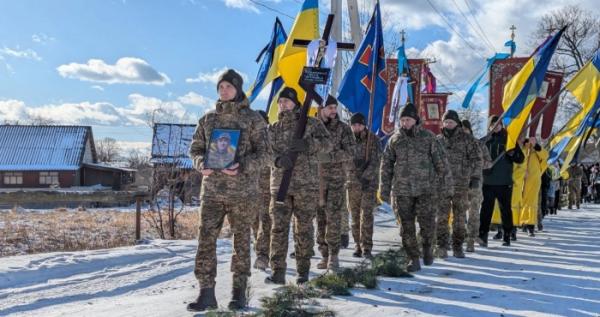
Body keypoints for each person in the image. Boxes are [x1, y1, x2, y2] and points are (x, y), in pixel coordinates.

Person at [188, 69, 269, 311]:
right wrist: (201, 163)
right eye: (221, 87)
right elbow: (195, 150)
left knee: (241, 241)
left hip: (242, 193)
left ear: (238, 89)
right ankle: (206, 292)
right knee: (205, 240)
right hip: (212, 191)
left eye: (229, 87)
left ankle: (238, 292)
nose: (224, 90)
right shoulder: (208, 120)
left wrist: (242, 166)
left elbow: (266, 154)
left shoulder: (254, 120)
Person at [265, 87, 332, 284]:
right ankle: (278, 272)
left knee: (303, 229)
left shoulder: (311, 124)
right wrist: (277, 161)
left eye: (286, 101)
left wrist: (309, 145)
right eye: (280, 101)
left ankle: (303, 271)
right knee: (278, 229)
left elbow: (328, 144)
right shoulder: (273, 128)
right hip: (280, 187)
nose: (282, 104)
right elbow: (264, 152)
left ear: (296, 103)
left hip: (305, 185)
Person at [379, 103, 451, 272]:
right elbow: (386, 165)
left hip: (426, 189)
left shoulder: (428, 137)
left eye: (408, 119)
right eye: (403, 120)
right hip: (401, 191)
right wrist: (384, 188)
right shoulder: (395, 139)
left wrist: (446, 187)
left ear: (416, 120)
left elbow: (441, 163)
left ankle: (427, 246)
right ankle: (413, 258)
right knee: (406, 227)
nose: (405, 123)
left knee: (427, 224)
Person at [316, 95, 356, 271]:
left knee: (333, 217)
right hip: (315, 180)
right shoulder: (312, 127)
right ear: (321, 109)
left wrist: (329, 157)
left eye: (335, 107)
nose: (334, 111)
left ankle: (333, 255)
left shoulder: (343, 129)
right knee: (320, 219)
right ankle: (324, 254)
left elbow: (351, 152)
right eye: (330, 107)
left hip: (336, 179)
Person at [435, 111, 483, 258]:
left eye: (451, 122)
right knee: (442, 217)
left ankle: (457, 247)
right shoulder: (437, 141)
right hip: (442, 185)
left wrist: (474, 177)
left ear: (457, 123)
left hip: (461, 184)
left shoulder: (468, 140)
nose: (448, 124)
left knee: (460, 218)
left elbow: (477, 159)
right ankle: (442, 246)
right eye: (446, 122)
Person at [478, 115, 525, 247]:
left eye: (498, 124)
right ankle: (483, 235)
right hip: (487, 181)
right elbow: (475, 159)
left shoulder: (509, 141)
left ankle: (507, 235)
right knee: (486, 210)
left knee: (505, 210)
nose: (496, 126)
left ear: (502, 125)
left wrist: (513, 153)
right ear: (489, 126)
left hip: (504, 182)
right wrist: (484, 165)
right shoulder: (484, 141)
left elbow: (520, 159)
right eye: (493, 124)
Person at [346, 112, 381, 259]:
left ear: (364, 125)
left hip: (368, 184)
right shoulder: (347, 140)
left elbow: (377, 160)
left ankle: (367, 246)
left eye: (359, 125)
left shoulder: (372, 139)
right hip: (352, 183)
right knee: (354, 216)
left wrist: (366, 176)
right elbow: (344, 158)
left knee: (366, 215)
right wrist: (353, 167)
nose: (356, 127)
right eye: (353, 125)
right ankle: (357, 245)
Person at [462, 119, 491, 252]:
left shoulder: (479, 144)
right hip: (459, 184)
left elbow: (489, 162)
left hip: (475, 183)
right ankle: (458, 238)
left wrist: (478, 164)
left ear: (470, 130)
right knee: (459, 213)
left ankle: (471, 240)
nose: (463, 132)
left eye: (465, 130)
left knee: (474, 214)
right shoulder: (454, 145)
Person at [252, 110, 272, 271]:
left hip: (268, 189)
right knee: (254, 222)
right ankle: (260, 248)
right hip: (250, 189)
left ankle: (262, 255)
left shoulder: (271, 140)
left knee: (265, 221)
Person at [518, 137, 548, 237]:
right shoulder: (521, 149)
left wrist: (535, 145)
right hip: (520, 180)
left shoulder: (537, 150)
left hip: (533, 180)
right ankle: (522, 223)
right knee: (521, 202)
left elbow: (545, 157)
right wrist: (522, 172)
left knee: (531, 202)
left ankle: (530, 225)